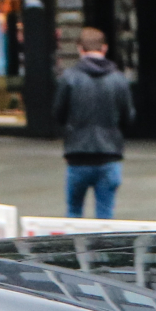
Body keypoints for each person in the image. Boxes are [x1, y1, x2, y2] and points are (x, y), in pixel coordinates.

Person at [52, 27, 130, 219]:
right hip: (109, 154)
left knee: (74, 213)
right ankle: (102, 250)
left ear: (80, 49)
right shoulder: (118, 79)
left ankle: (76, 250)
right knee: (105, 217)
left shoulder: (69, 78)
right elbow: (128, 116)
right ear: (104, 48)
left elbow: (58, 114)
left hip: (77, 155)